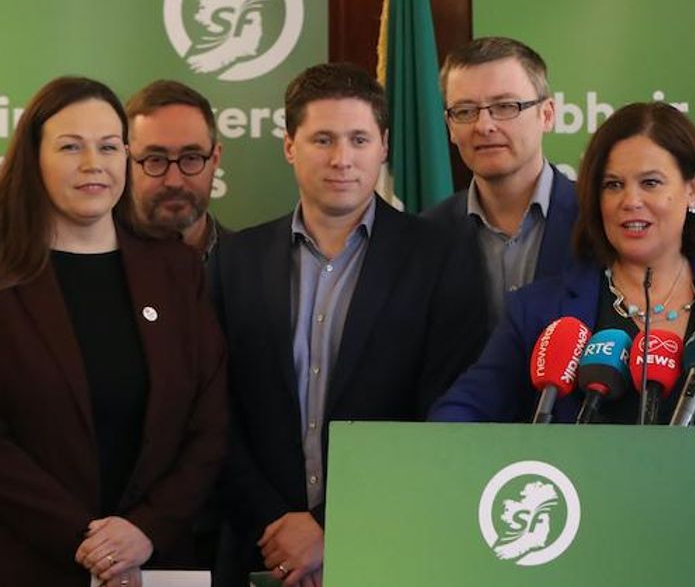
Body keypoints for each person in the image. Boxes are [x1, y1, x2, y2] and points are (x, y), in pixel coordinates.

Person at [431, 101, 695, 587]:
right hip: (585, 566)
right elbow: (457, 419)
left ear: (692, 190)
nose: (630, 201)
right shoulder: (541, 310)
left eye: (650, 182)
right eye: (612, 185)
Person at [211, 63, 488, 586]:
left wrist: (326, 527)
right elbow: (213, 411)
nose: (342, 159)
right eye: (322, 139)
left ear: (383, 145)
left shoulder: (441, 257)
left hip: (388, 542)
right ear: (289, 145)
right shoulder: (235, 260)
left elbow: (443, 414)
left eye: (359, 139)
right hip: (258, 547)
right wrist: (277, 523)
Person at [0, 76, 227, 586]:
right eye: (70, 147)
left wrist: (145, 529)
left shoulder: (175, 268)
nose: (92, 165)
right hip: (29, 562)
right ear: (33, 158)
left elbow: (209, 424)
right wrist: (92, 544)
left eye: (107, 147)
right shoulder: (6, 276)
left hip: (158, 560)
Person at [423, 37, 578, 332]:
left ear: (546, 115)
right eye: (466, 111)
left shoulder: (599, 219)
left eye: (505, 106)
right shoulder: (427, 236)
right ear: (450, 127)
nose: (484, 126)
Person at [126, 80, 226, 258]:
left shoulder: (254, 268)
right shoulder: (95, 268)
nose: (174, 182)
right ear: (125, 161)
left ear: (215, 159)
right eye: (155, 160)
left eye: (191, 158)